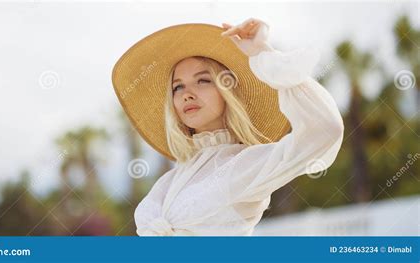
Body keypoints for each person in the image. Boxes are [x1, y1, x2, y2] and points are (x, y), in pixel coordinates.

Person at [112, 18, 344, 236]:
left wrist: (261, 51)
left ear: (227, 91)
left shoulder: (245, 164)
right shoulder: (169, 180)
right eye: (177, 87)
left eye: (203, 80)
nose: (187, 95)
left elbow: (325, 131)